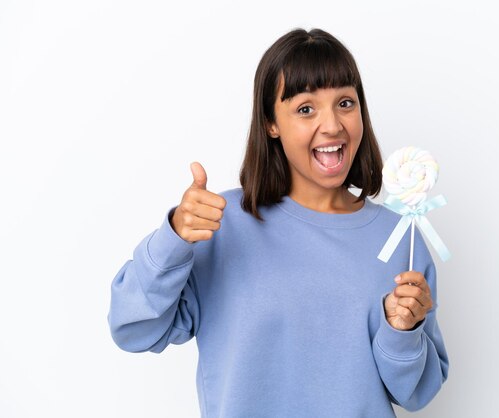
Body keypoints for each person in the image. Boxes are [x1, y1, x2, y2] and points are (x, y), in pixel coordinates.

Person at [108, 27, 449, 417]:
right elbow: (132, 328)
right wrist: (173, 239)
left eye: (345, 103)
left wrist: (401, 332)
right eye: (306, 108)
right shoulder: (221, 225)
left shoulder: (400, 239)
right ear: (271, 123)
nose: (333, 125)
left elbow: (418, 393)